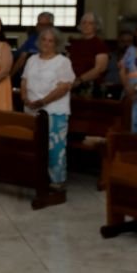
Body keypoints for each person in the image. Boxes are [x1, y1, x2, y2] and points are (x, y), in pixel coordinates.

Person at [21, 28, 75, 190]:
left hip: (54, 110)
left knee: (54, 148)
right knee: (33, 146)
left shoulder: (62, 62)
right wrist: (25, 98)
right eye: (44, 39)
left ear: (56, 44)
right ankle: (36, 177)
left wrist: (43, 101)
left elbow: (64, 87)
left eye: (51, 41)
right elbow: (24, 80)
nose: (46, 43)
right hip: (31, 109)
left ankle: (57, 181)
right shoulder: (32, 59)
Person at [69, 13, 109, 98]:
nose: (86, 26)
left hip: (91, 86)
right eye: (84, 23)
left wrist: (80, 80)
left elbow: (100, 68)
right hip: (72, 84)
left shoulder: (99, 44)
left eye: (90, 23)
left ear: (96, 26)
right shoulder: (75, 44)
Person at [10, 11, 55, 80]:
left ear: (51, 25)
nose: (40, 27)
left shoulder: (56, 39)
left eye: (44, 25)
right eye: (39, 24)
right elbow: (18, 54)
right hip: (29, 73)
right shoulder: (32, 38)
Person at [103, 29, 133, 99]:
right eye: (123, 41)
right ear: (118, 42)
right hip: (109, 88)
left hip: (128, 89)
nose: (126, 44)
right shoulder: (110, 56)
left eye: (129, 41)